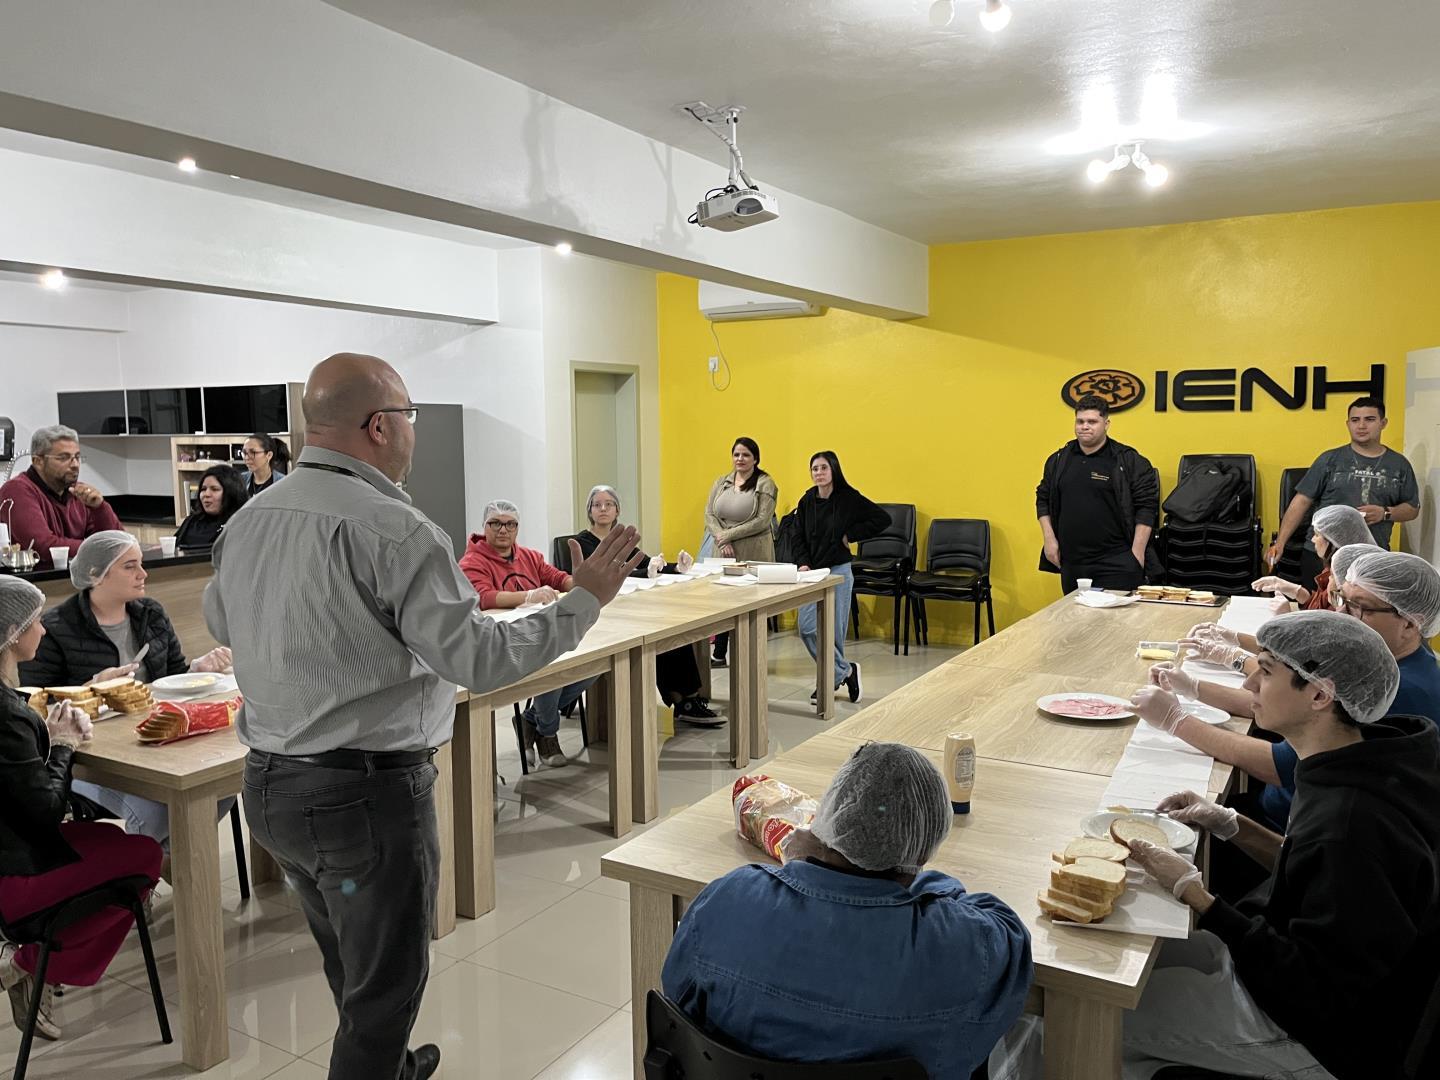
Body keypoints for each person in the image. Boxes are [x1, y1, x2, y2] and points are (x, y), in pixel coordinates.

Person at [204, 353, 642, 1080]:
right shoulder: (395, 529)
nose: (413, 431)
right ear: (381, 426)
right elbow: (476, 659)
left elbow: (226, 620)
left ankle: (391, 1066)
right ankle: (379, 1064)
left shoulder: (251, 518)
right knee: (387, 988)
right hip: (362, 797)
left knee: (349, 957)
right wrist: (583, 599)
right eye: (410, 417)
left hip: (270, 786)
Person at [1122, 611, 1439, 1080]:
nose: (1250, 685)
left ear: (1319, 694)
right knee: (1133, 961)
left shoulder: (1351, 823)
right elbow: (1314, 872)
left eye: (1265, 671)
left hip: (1319, 1029)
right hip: (1292, 963)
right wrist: (1232, 825)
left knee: (1103, 1017)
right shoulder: (1360, 756)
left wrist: (1196, 894)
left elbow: (1313, 985)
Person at [662, 742, 1031, 1079]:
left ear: (828, 819)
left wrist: (800, 864)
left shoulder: (729, 899)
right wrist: (924, 883)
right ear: (921, 852)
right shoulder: (956, 947)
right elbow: (1007, 930)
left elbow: (676, 1005)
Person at [1142, 547, 1440, 834]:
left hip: (1284, 820)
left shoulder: (1399, 689)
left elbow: (1280, 764)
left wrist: (1176, 721)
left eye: (1359, 607)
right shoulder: (1388, 662)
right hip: (1289, 808)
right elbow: (1282, 700)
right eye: (1341, 598)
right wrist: (1194, 687)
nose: (1341, 612)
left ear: (1411, 624)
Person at [0, 577, 163, 1042]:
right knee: (146, 854)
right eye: (35, 622)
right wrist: (64, 747)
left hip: (9, 851)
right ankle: (28, 963)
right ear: (12, 633)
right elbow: (48, 810)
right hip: (15, 877)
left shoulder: (9, 701)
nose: (45, 631)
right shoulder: (6, 715)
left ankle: (39, 961)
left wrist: (62, 721)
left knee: (114, 839)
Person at [19, 531, 234, 852]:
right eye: (130, 566)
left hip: (155, 742)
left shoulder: (151, 613)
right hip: (93, 761)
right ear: (96, 575)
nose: (143, 574)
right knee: (158, 814)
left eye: (141, 565)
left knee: (219, 788)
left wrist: (198, 668)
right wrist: (92, 687)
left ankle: (150, 873)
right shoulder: (55, 628)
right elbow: (36, 705)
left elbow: (172, 678)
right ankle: (151, 878)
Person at [459, 498, 599, 766]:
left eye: (510, 524)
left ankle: (530, 720)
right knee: (550, 664)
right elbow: (483, 597)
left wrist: (580, 583)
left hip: (538, 630)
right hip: (501, 640)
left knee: (593, 663)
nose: (503, 530)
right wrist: (529, 595)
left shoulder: (529, 556)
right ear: (484, 526)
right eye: (496, 523)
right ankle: (547, 733)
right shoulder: (472, 560)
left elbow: (557, 578)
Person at [575, 485, 721, 726]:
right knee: (655, 631)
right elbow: (613, 573)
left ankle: (688, 698)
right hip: (603, 614)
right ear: (589, 511)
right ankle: (682, 699)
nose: (603, 509)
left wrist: (676, 567)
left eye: (608, 504)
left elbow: (644, 563)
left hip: (628, 607)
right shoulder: (583, 543)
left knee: (671, 626)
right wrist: (646, 571)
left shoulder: (621, 541)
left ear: (617, 510)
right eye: (597, 505)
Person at [1266, 397, 1420, 585]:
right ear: (1348, 424)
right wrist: (1279, 543)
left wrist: (1386, 513)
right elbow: (1301, 501)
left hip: (1371, 556)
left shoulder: (1399, 465)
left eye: (1369, 419)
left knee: (1361, 612)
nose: (1361, 426)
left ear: (1383, 423)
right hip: (1321, 555)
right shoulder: (1330, 460)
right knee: (1316, 609)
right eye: (1355, 420)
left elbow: (1412, 508)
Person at [789, 451, 889, 705]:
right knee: (807, 627)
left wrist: (851, 535)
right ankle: (845, 670)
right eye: (814, 469)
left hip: (839, 570)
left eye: (823, 468)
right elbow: (797, 535)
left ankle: (829, 680)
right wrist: (802, 563)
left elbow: (881, 519)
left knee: (834, 631)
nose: (818, 473)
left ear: (833, 470)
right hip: (812, 573)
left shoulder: (848, 497)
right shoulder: (807, 500)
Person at [1036, 394, 1159, 593]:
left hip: (1117, 560)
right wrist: (1049, 540)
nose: (1085, 426)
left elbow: (1147, 507)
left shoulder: (1127, 460)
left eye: (1092, 421)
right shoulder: (1059, 460)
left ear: (1106, 423)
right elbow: (1042, 499)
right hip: (1072, 562)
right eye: (1080, 421)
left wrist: (1137, 553)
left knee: (1116, 623)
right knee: (1076, 622)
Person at [0, 425, 121, 569]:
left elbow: (118, 541)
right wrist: (101, 549)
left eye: (77, 457)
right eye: (64, 458)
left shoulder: (79, 493)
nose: (75, 465)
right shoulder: (17, 490)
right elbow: (44, 547)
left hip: (75, 578)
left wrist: (99, 508)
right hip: (34, 583)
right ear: (38, 461)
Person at [702, 438, 778, 666]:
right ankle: (720, 653)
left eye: (745, 455)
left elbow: (762, 520)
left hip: (752, 550)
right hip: (723, 550)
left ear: (755, 458)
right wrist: (721, 538)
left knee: (748, 606)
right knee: (723, 603)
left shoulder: (765, 483)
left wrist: (729, 535)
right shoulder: (721, 481)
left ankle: (749, 656)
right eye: (736, 454)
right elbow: (709, 514)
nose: (740, 459)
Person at [1250, 503, 1375, 610]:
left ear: (1334, 540)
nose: (1313, 539)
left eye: (1317, 535)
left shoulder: (1352, 582)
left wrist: (1288, 616)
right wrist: (1294, 590)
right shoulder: (1337, 568)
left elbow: (1333, 622)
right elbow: (1321, 605)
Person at [173, 464, 248, 554]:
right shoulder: (192, 521)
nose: (206, 494)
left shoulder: (241, 525)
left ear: (231, 493)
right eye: (203, 489)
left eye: (215, 489)